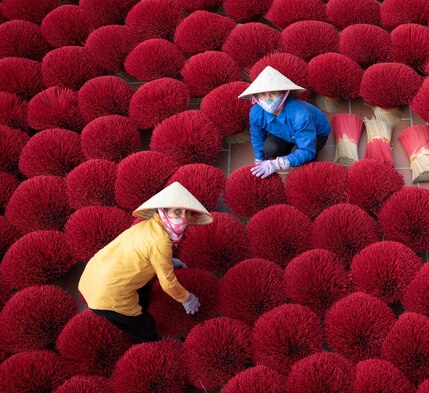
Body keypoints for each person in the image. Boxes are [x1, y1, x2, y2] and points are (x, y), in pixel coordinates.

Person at [78, 182, 213, 342]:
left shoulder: (147, 226)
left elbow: (144, 252)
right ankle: (154, 342)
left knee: (144, 291)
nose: (183, 217)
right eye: (177, 211)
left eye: (187, 212)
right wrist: (187, 299)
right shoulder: (161, 241)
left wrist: (169, 260)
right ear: (163, 211)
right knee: (143, 325)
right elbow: (168, 284)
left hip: (91, 277)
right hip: (107, 296)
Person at [238, 66, 331, 178]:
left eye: (273, 93)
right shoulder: (256, 113)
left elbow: (307, 150)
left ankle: (296, 156)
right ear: (256, 98)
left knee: (303, 158)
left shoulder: (301, 116)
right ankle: (292, 155)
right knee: (269, 149)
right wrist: (259, 160)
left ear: (284, 94)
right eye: (263, 94)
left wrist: (278, 163)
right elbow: (257, 137)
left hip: (316, 134)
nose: (268, 99)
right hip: (285, 133)